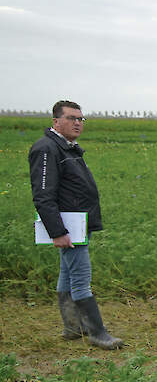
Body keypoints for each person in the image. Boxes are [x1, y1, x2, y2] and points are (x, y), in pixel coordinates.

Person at [29, 100, 123, 350]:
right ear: (56, 121)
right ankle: (98, 333)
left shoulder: (68, 148)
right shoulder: (47, 149)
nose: (78, 123)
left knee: (67, 274)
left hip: (79, 223)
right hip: (69, 227)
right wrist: (57, 232)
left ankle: (72, 326)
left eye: (81, 119)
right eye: (72, 118)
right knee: (81, 278)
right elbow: (43, 195)